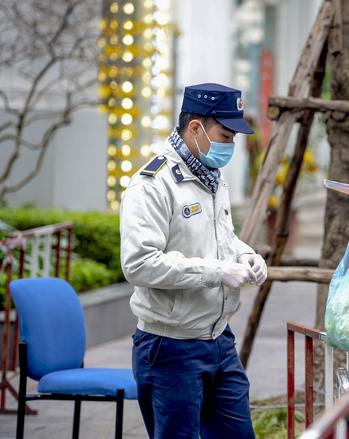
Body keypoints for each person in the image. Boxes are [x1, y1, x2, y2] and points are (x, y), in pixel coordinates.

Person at [120, 83, 267, 439]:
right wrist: (217, 272)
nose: (230, 145)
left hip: (218, 339)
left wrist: (244, 253)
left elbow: (220, 239)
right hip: (171, 347)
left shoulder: (210, 178)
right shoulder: (152, 185)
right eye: (225, 135)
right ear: (195, 128)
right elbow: (139, 263)